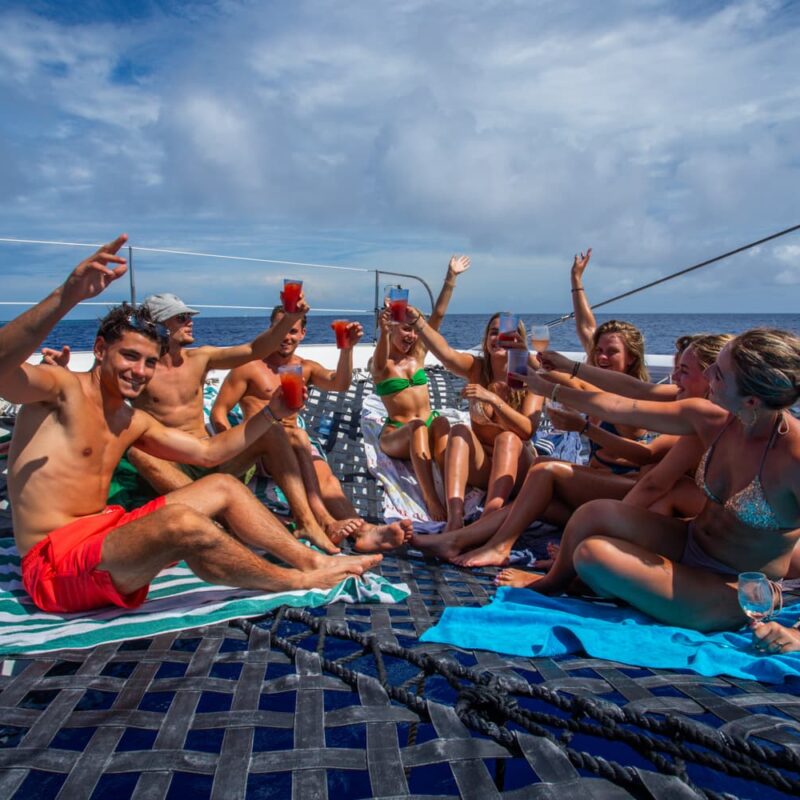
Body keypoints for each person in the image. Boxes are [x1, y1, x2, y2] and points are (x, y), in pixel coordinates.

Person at [0, 235, 381, 614]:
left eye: (149, 362)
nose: (140, 371)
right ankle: (294, 580)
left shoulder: (132, 420)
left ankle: (309, 560)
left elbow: (209, 452)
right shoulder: (60, 388)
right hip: (54, 566)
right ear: (100, 350)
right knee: (181, 520)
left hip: (105, 536)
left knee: (222, 486)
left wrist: (272, 412)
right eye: (129, 357)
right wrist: (68, 295)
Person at [517, 328, 800, 632]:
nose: (709, 375)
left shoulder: (793, 458)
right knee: (594, 513)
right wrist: (547, 387)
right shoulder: (712, 417)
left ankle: (634, 591)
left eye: (718, 373)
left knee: (592, 554)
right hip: (690, 540)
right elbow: (625, 406)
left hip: (732, 585)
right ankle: (552, 584)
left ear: (752, 401)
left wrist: (795, 635)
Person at [412, 334, 729, 568]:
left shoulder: (705, 416)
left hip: (653, 509)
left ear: (714, 375)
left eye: (684, 371)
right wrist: (567, 368)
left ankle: (498, 545)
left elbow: (624, 408)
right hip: (636, 494)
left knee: (546, 470)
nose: (675, 378)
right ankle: (460, 539)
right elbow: (633, 395)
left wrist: (556, 395)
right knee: (541, 494)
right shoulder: (686, 403)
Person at [123, 290, 346, 555]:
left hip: (209, 457)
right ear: (157, 324)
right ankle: (216, 517)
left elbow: (254, 349)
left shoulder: (200, 358)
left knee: (274, 431)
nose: (190, 321)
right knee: (137, 450)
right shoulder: (139, 370)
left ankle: (306, 522)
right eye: (181, 317)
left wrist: (290, 318)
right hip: (170, 467)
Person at [210, 306, 413, 552]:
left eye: (293, 331)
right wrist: (229, 446)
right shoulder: (250, 367)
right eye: (280, 329)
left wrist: (347, 350)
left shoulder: (304, 368)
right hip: (260, 447)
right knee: (297, 435)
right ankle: (324, 521)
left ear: (303, 333)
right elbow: (219, 411)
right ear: (270, 330)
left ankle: (363, 532)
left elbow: (339, 384)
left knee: (327, 479)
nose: (286, 336)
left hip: (298, 446)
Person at [404, 309, 543, 530]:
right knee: (459, 430)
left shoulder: (531, 378)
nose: (499, 338)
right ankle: (455, 518)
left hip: (516, 468)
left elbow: (527, 431)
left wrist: (491, 398)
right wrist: (418, 322)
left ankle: (488, 518)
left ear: (519, 340)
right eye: (494, 333)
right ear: (486, 339)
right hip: (484, 466)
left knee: (508, 438)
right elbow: (446, 354)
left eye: (507, 333)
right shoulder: (478, 369)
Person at [370, 255, 470, 521]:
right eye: (405, 330)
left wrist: (451, 277)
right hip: (398, 433)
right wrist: (383, 331)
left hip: (428, 425)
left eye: (413, 331)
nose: (411, 336)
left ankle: (453, 498)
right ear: (391, 327)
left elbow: (437, 315)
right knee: (417, 426)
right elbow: (378, 362)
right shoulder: (380, 363)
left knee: (441, 423)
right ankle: (431, 499)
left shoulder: (419, 354)